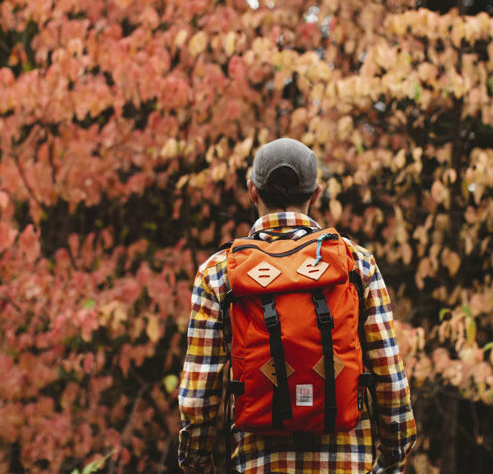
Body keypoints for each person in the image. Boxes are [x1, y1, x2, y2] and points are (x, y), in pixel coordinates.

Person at [178, 138, 417, 474]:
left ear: (252, 192)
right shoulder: (356, 264)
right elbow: (389, 376)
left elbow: (200, 392)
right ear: (316, 194)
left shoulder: (219, 272)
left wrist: (197, 463)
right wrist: (392, 459)